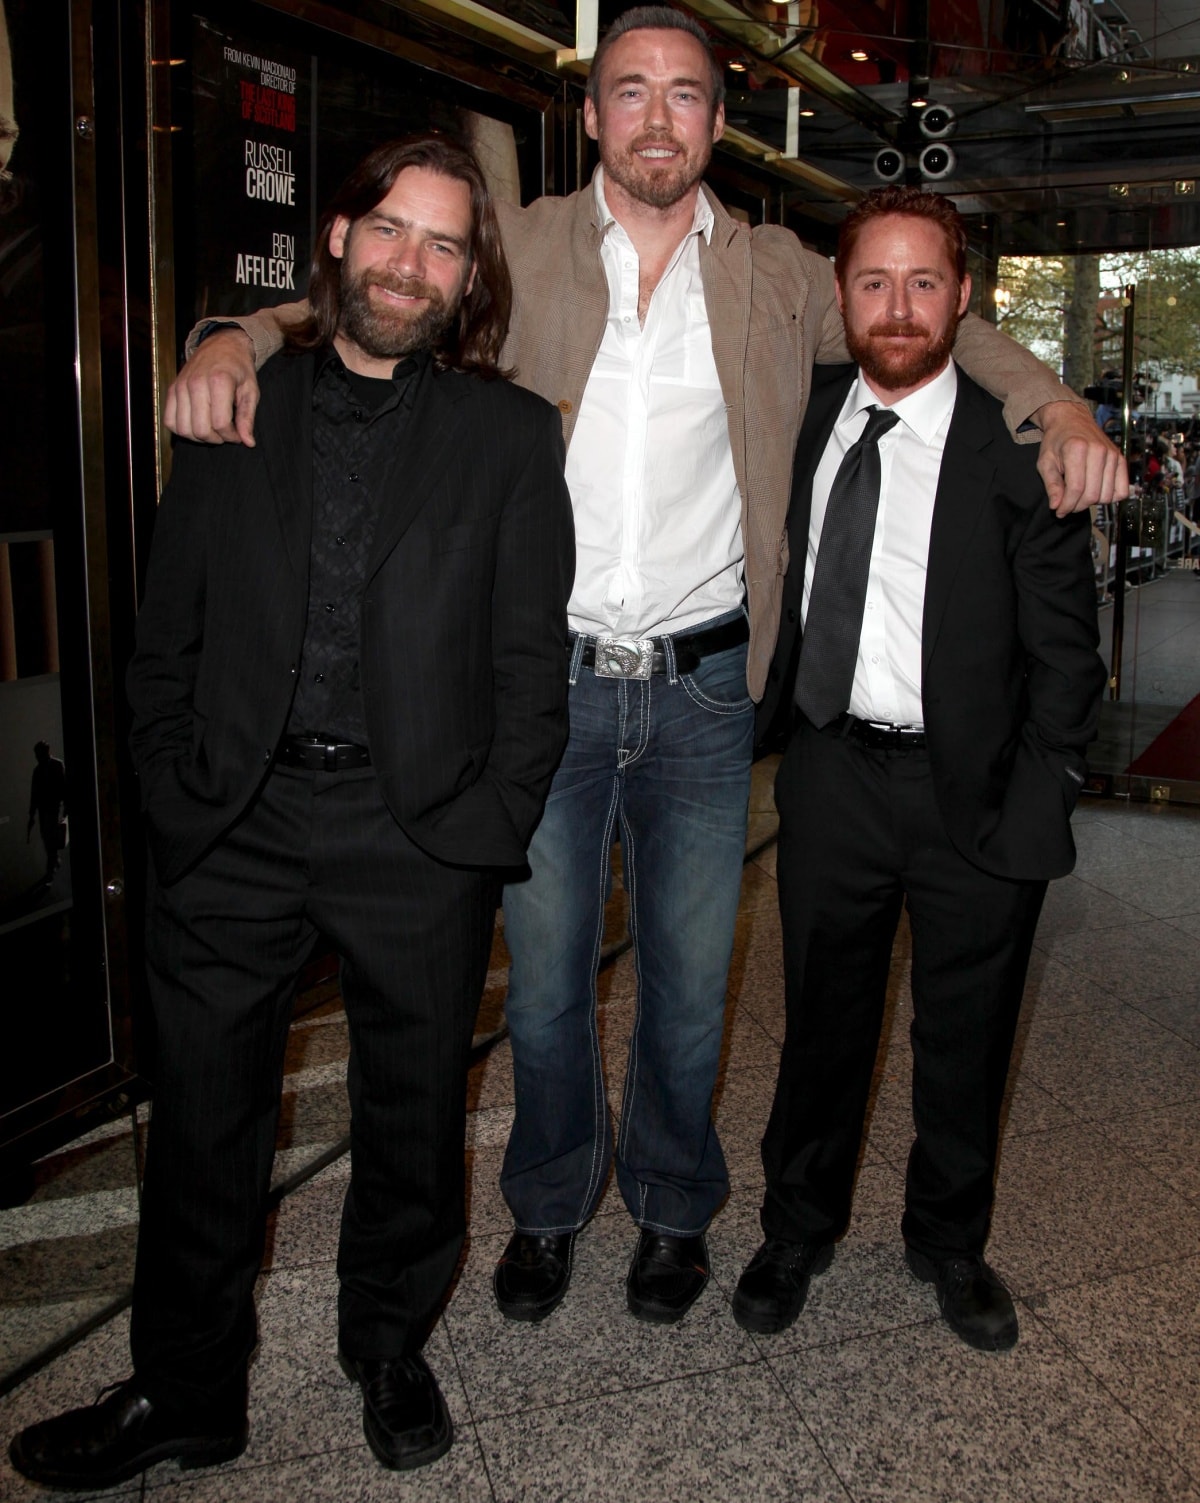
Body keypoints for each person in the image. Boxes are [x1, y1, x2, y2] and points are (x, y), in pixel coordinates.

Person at [163, 7, 1125, 1327]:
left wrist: (1059, 403)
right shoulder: (523, 245)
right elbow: (370, 294)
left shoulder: (786, 275)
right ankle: (551, 1206)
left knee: (687, 990)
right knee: (545, 988)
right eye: (631, 91)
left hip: (706, 688)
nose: (657, 117)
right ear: (595, 113)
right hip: (542, 684)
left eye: (684, 93)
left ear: (717, 121)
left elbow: (940, 331)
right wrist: (235, 332)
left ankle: (675, 1211)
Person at [8, 134, 573, 1489]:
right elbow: (166, 634)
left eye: (442, 243)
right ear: (335, 238)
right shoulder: (236, 398)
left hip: (417, 831)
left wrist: (480, 830)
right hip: (234, 821)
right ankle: (187, 1388)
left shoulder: (509, 433)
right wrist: (172, 789)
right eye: (388, 229)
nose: (409, 263)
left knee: (412, 1113)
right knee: (203, 1124)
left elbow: (525, 662)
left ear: (468, 273)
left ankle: (388, 1344)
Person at [733, 186, 1105, 1351]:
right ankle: (797, 1226)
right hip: (834, 775)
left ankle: (949, 1241)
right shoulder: (799, 416)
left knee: (967, 1030)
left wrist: (1042, 795)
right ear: (838, 298)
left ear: (964, 298)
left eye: (924, 282)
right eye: (874, 283)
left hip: (975, 792)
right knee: (820, 1023)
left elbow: (1065, 654)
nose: (899, 308)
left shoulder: (1018, 449)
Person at [26, 739, 67, 883]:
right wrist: (32, 815)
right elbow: (34, 794)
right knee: (47, 838)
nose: (37, 757)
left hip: (55, 808)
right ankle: (54, 859)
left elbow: (64, 787)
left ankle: (51, 869)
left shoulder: (57, 765)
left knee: (51, 838)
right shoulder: (37, 770)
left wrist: (66, 809)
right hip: (44, 810)